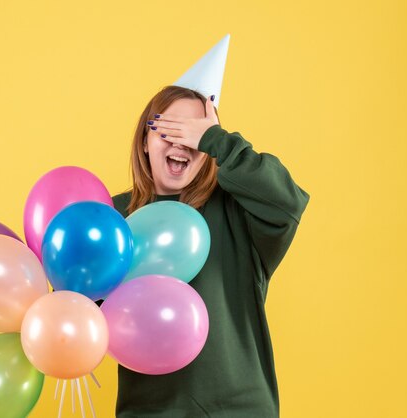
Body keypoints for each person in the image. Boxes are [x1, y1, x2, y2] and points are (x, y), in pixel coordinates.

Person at [110, 85, 310, 417]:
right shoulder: (115, 218)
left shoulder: (239, 210)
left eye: (192, 134)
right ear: (145, 141)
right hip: (148, 410)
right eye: (168, 130)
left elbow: (288, 203)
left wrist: (218, 140)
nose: (180, 143)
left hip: (239, 409)